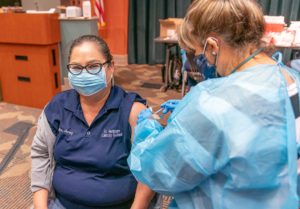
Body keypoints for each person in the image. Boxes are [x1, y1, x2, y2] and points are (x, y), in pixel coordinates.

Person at [128, 0, 300, 209]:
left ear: (211, 46)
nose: (196, 62)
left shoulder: (211, 102)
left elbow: (160, 173)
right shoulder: (291, 78)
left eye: (194, 53)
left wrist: (147, 128)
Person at [31, 35, 155, 209]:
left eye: (93, 66)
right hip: (61, 204)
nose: (84, 73)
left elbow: (150, 169)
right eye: (76, 68)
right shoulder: (57, 107)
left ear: (111, 67)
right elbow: (41, 154)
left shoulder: (134, 112)